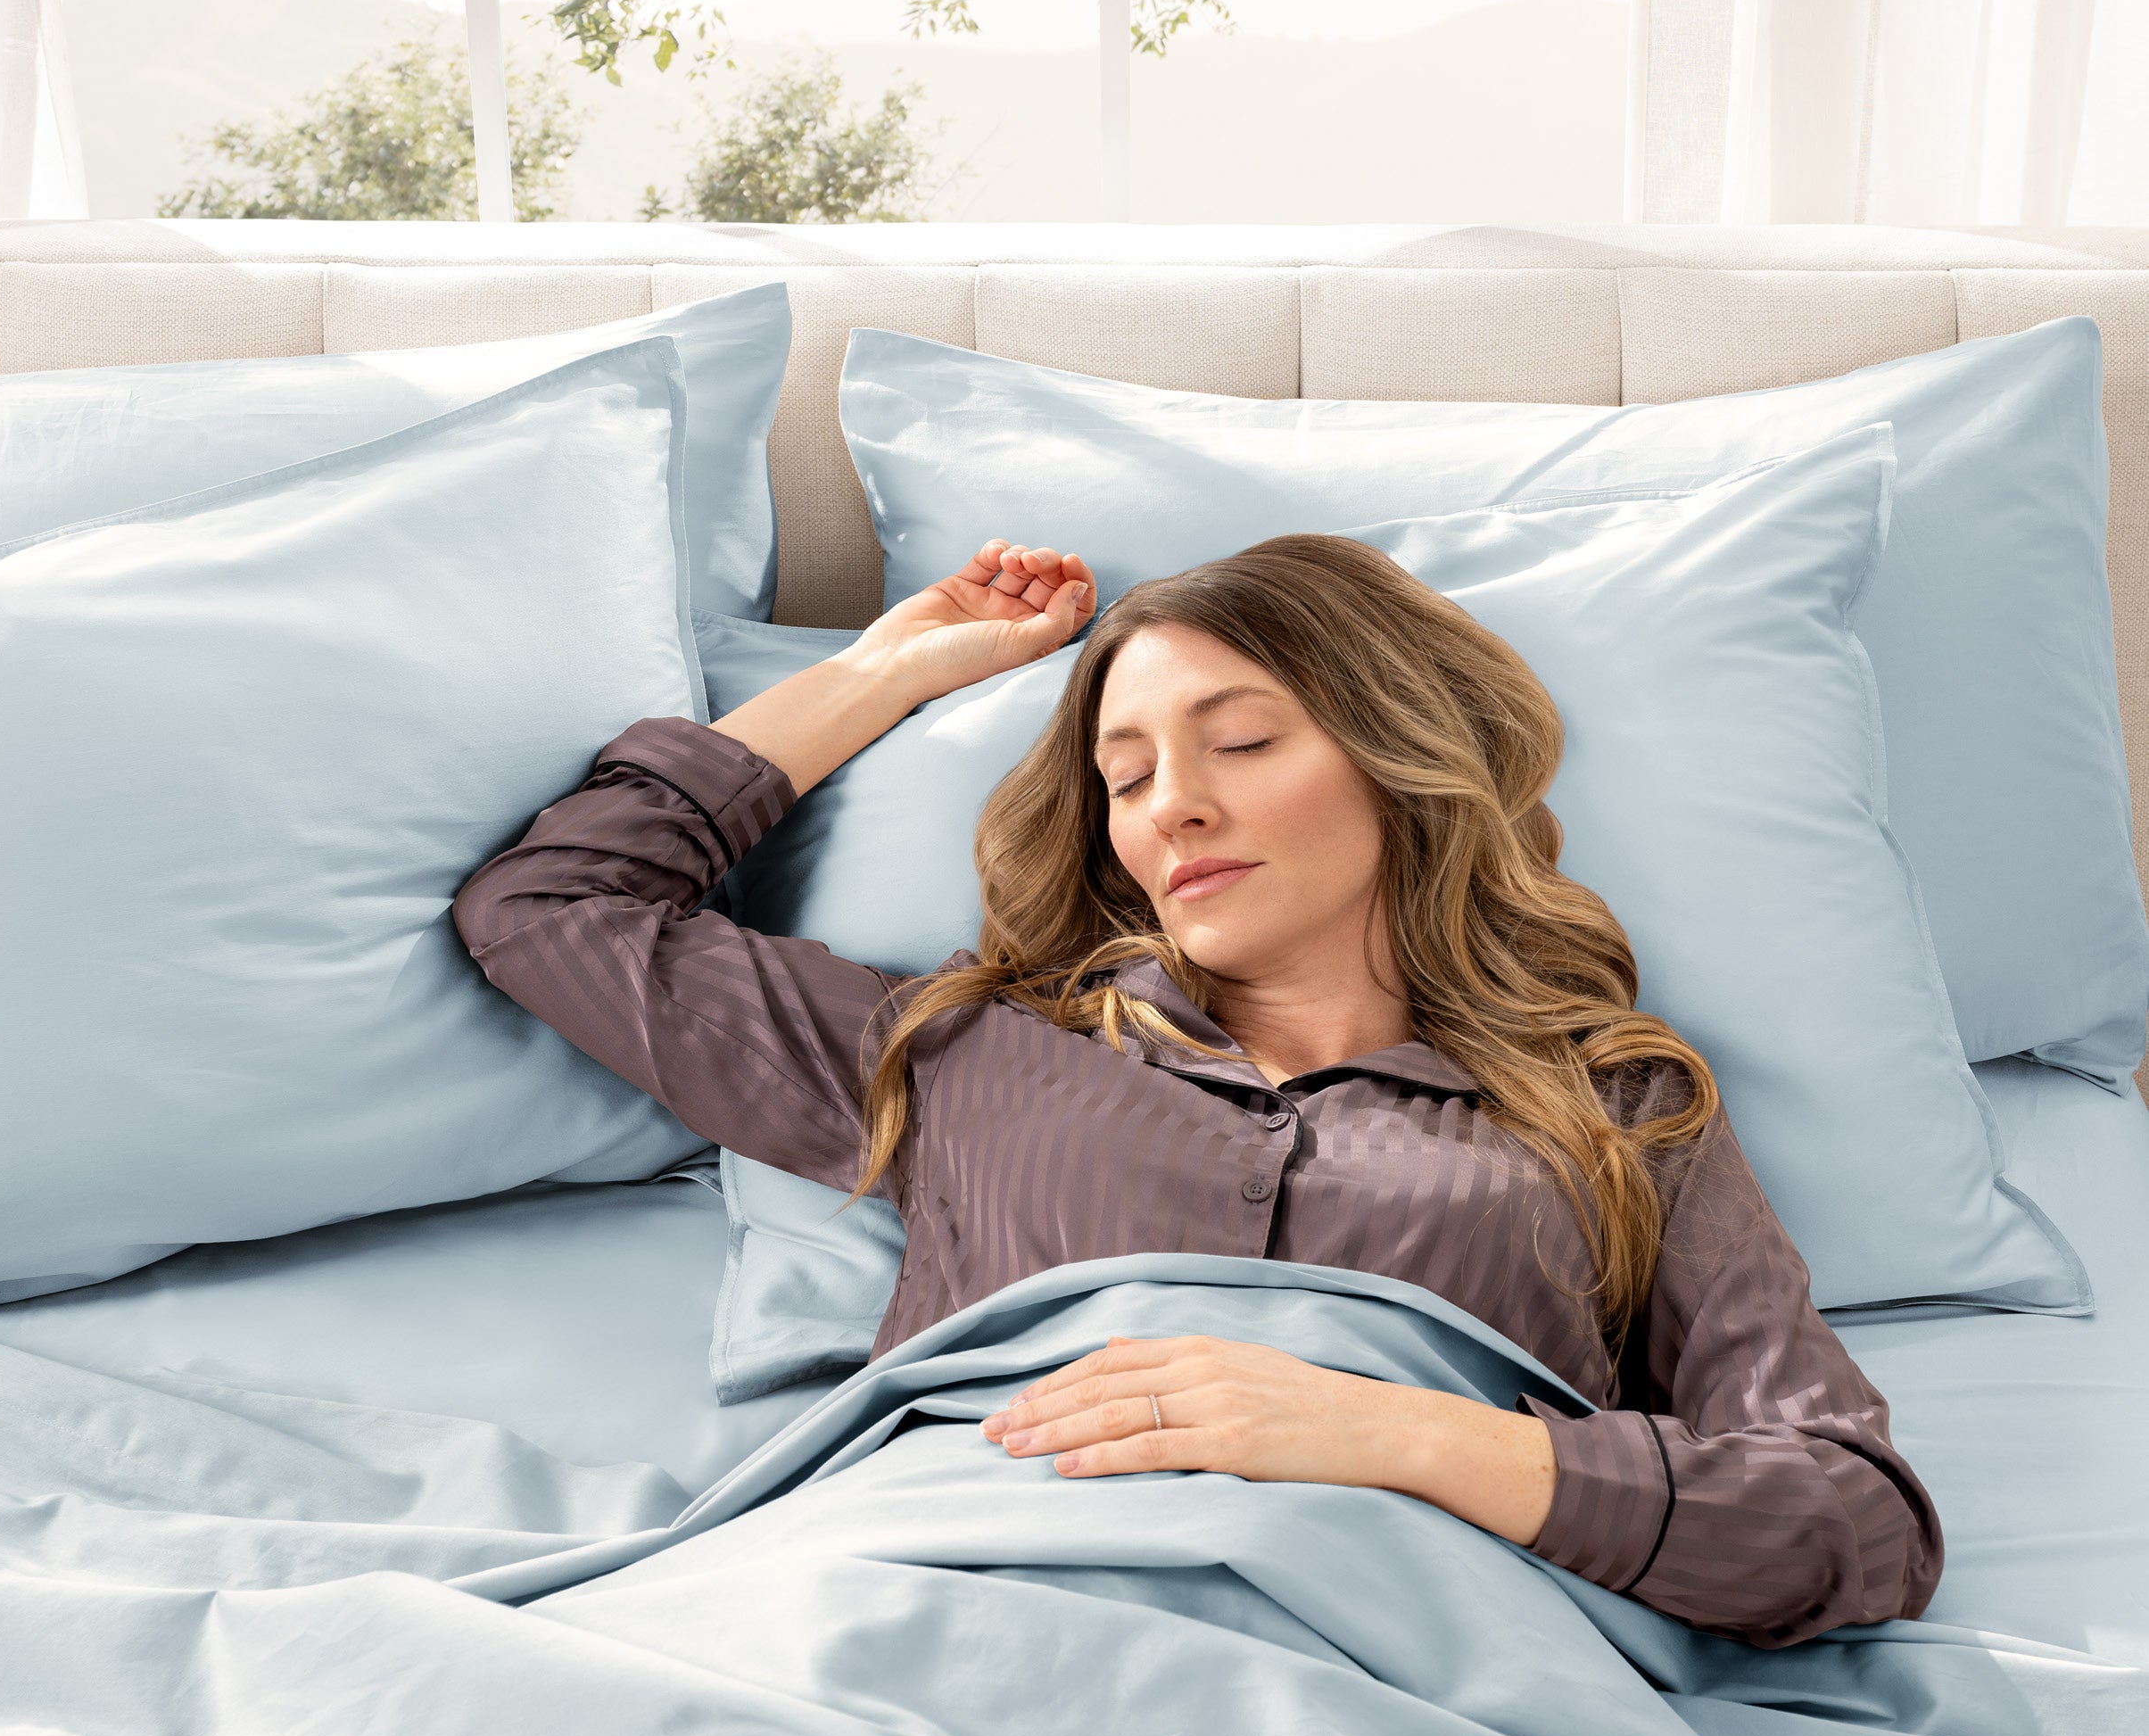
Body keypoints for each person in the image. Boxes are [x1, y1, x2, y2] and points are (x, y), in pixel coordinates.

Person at [453, 533, 1942, 1648]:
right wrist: (889, 667)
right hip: (958, 1623)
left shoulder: (1607, 1109)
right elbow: (555, 912)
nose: (1174, 803)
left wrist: (1405, 1436)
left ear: (1396, 759)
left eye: (1240, 741)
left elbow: (1853, 1518)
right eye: (1125, 773)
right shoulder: (967, 1050)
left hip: (1411, 1683)